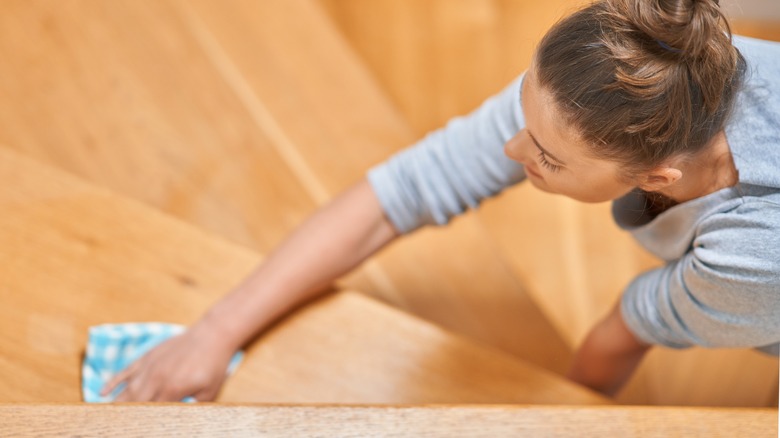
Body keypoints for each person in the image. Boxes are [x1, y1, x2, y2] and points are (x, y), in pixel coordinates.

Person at [102, 0, 780, 402]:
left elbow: (624, 331)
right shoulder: (651, 76)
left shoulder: (754, 253)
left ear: (658, 179)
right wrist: (216, 332)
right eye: (523, 115)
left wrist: (573, 418)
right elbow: (406, 188)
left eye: (545, 157)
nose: (513, 152)